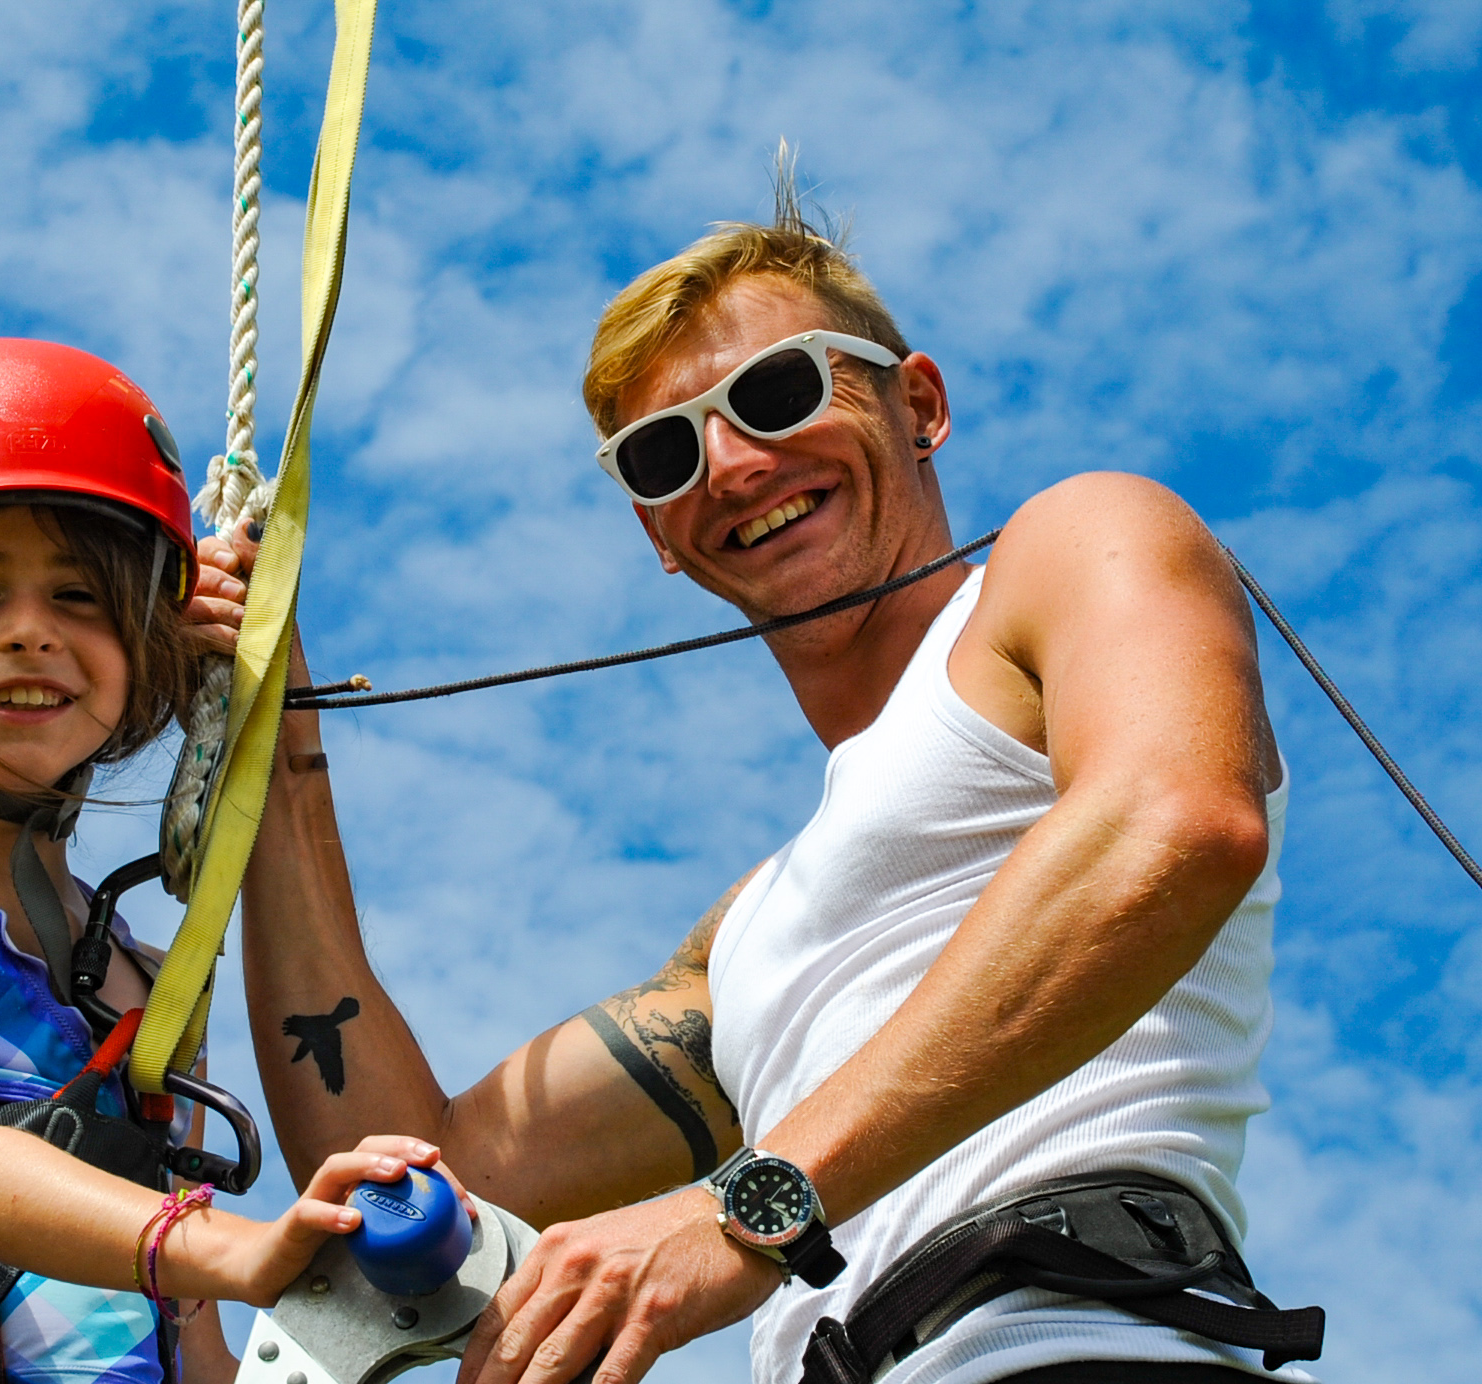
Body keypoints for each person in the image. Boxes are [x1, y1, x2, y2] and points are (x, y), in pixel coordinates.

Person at [225, 200, 1321, 1383]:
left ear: (919, 405)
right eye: (666, 453)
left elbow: (1171, 822)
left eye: (778, 391)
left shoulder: (1069, 545)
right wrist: (270, 743)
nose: (736, 464)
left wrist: (745, 1208)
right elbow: (407, 1173)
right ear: (658, 531)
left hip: (1078, 1340)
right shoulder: (747, 940)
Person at [0, 338, 444, 1384]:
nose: (29, 633)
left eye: (80, 599)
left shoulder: (151, 990)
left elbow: (187, 1339)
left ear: (144, 653)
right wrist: (243, 1248)